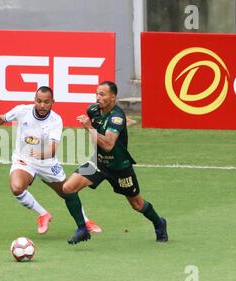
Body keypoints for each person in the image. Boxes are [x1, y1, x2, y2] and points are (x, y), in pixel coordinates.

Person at [0, 86, 101, 235]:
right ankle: (43, 214)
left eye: (46, 102)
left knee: (67, 192)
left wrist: (40, 154)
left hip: (47, 163)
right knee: (16, 188)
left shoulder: (56, 120)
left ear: (53, 102)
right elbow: (0, 119)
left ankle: (86, 221)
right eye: (39, 101)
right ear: (34, 100)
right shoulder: (22, 111)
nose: (42, 105)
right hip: (24, 160)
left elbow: (52, 149)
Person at [62, 81, 168, 244]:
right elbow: (97, 139)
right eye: (97, 93)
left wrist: (89, 128)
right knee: (68, 188)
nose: (98, 97)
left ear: (113, 97)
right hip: (98, 163)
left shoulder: (117, 117)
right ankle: (82, 229)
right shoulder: (93, 110)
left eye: (102, 94)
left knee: (137, 204)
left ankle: (159, 222)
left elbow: (109, 145)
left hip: (120, 168)